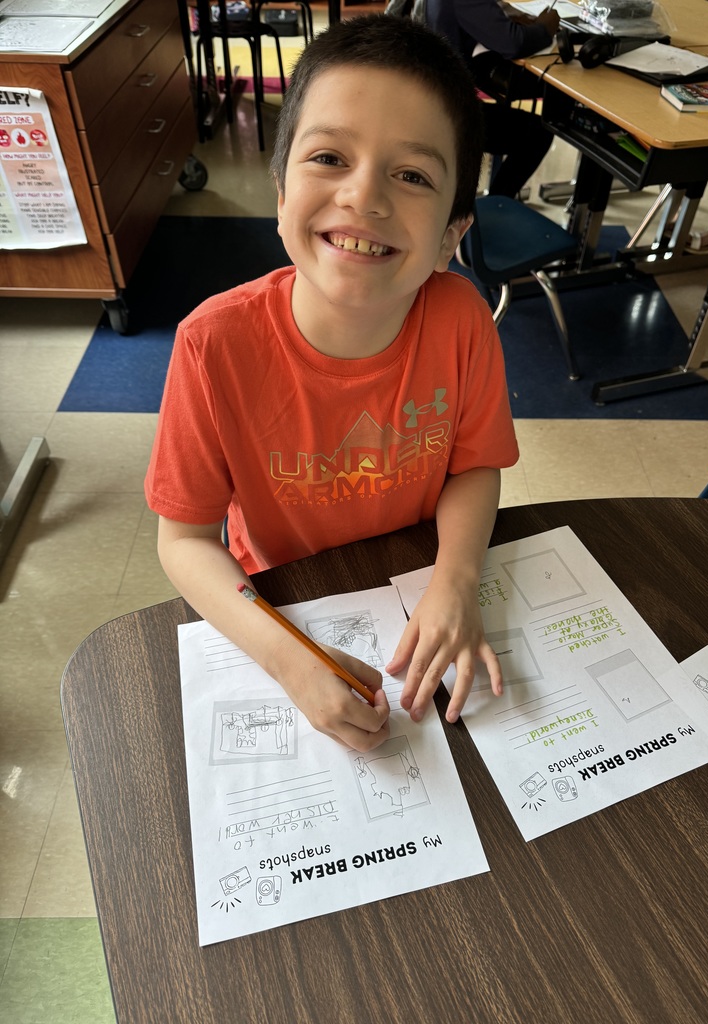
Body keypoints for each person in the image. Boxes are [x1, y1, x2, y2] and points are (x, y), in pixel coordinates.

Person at [145, 15, 519, 753]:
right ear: (279, 189)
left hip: (413, 580)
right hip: (284, 599)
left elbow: (475, 464)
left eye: (412, 175)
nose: (364, 197)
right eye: (328, 157)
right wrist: (288, 657)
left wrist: (456, 579)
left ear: (451, 233)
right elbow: (185, 539)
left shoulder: (462, 318)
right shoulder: (212, 344)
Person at [424, 0, 561, 199]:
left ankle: (497, 204)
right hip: (448, 116)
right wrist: (545, 28)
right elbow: (513, 43)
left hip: (434, 98)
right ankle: (498, 205)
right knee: (537, 134)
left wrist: (502, 20)